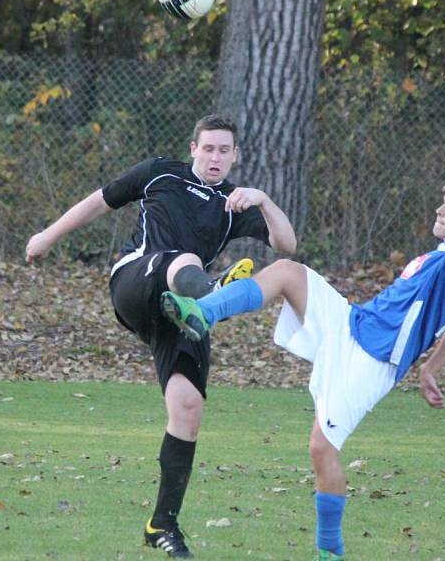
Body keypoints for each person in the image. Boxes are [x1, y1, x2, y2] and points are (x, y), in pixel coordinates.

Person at [161, 135, 445, 560]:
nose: (441, 210)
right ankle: (202, 312)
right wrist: (432, 369)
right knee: (286, 271)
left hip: (373, 361)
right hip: (351, 322)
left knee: (321, 449)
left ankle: (330, 552)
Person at [25, 114, 297, 559]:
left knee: (188, 408)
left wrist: (264, 199)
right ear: (193, 148)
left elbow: (286, 244)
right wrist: (47, 236)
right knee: (184, 258)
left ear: (235, 156)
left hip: (182, 310)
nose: (215, 157)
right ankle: (217, 294)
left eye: (224, 150)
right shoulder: (160, 172)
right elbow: (100, 201)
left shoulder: (233, 202)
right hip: (137, 280)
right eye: (207, 148)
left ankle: (162, 524)